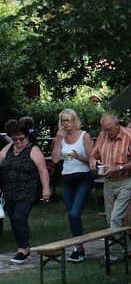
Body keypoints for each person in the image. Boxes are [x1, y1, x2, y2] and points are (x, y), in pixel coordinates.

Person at [89, 114, 131, 261]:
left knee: (115, 218)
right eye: (104, 130)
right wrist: (93, 162)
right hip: (109, 181)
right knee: (110, 220)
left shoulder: (129, 134)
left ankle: (114, 254)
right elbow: (93, 155)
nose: (107, 133)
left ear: (116, 125)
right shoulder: (102, 135)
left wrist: (119, 168)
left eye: (109, 130)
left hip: (126, 180)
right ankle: (130, 251)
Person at [0, 117, 51, 264]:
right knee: (14, 220)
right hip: (9, 191)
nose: (18, 142)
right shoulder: (8, 149)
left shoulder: (33, 150)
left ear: (27, 138)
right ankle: (23, 248)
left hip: (28, 190)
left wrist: (46, 189)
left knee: (19, 217)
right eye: (15, 139)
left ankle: (23, 249)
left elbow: (42, 170)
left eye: (21, 139)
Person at [50, 108, 94, 263]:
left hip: (83, 177)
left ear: (75, 121)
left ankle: (78, 246)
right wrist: (57, 139)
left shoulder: (84, 136)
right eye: (63, 120)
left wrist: (78, 157)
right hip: (67, 177)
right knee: (71, 214)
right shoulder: (60, 138)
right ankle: (79, 247)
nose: (66, 123)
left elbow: (92, 160)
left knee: (75, 213)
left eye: (69, 120)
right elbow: (55, 160)